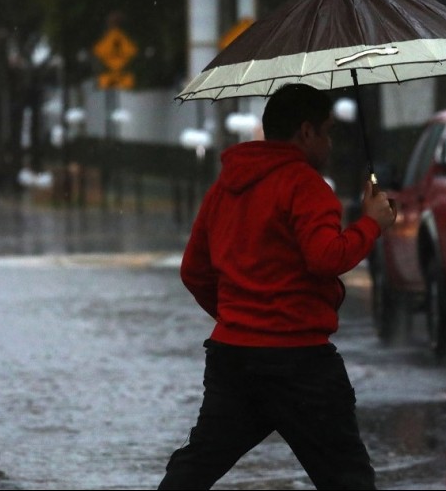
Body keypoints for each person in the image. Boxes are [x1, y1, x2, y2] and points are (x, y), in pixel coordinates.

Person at [158, 83, 396, 490]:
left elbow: (194, 271)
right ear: (306, 132)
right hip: (300, 364)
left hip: (234, 359)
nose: (330, 143)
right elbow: (326, 257)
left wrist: (242, 316)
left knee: (195, 467)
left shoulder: (225, 187)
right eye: (326, 131)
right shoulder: (305, 186)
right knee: (347, 477)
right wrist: (372, 222)